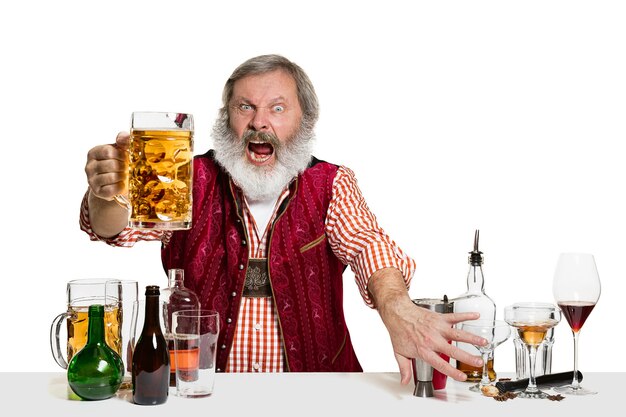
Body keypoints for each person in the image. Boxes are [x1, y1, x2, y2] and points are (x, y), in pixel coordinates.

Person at [81, 54, 485, 383]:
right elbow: (111, 228)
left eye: (277, 108)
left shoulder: (330, 183)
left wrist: (397, 307)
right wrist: (105, 194)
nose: (260, 123)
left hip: (316, 397)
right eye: (245, 107)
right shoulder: (185, 178)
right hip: (199, 394)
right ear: (227, 119)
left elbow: (368, 246)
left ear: (303, 121)